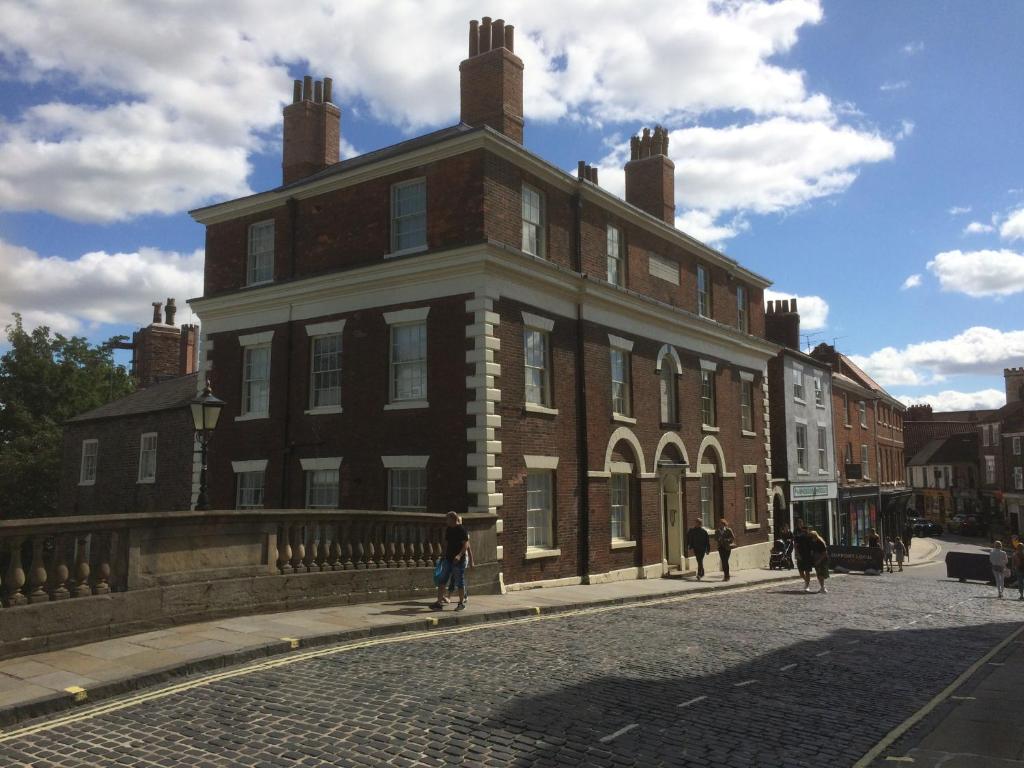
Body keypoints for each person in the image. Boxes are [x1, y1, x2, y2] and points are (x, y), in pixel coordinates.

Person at [431, 512, 469, 611]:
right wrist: (443, 555)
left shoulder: (461, 530)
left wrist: (459, 555)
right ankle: (439, 603)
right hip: (448, 559)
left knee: (459, 582)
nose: (446, 521)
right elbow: (446, 543)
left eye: (447, 519)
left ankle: (461, 603)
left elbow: (466, 545)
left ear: (453, 519)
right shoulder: (448, 529)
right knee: (442, 580)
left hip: (458, 561)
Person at [443, 514, 473, 604]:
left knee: (455, 577)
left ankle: (451, 596)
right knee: (457, 577)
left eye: (459, 520)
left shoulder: (463, 531)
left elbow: (468, 547)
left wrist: (471, 560)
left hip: (463, 558)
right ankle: (464, 595)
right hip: (452, 558)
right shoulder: (450, 530)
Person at [793, 519, 814, 593]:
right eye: (798, 523)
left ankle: (807, 585)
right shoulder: (797, 533)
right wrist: (797, 554)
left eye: (801, 523)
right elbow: (795, 545)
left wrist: (812, 552)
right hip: (800, 554)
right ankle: (806, 581)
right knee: (801, 572)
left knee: (807, 571)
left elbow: (811, 544)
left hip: (807, 554)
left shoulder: (807, 533)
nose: (800, 524)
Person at [809, 529, 830, 594]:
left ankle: (823, 587)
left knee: (821, 574)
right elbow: (812, 550)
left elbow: (824, 553)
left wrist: (819, 560)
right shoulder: (813, 542)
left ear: (815, 537)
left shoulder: (820, 542)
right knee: (818, 573)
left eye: (812, 537)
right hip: (816, 559)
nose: (811, 539)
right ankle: (822, 587)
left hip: (822, 559)